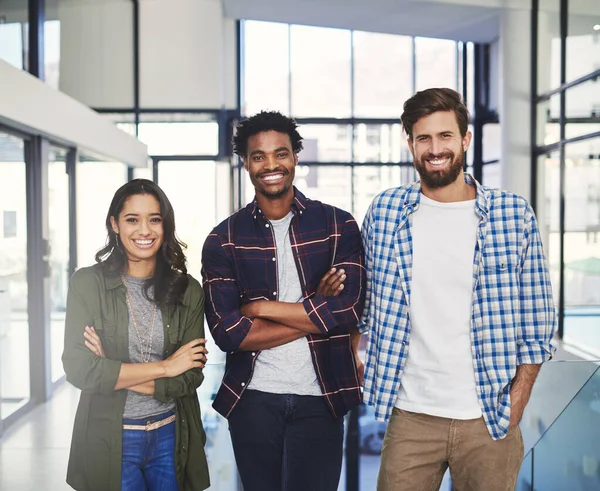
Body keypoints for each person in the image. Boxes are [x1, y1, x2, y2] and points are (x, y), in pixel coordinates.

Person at [359, 88, 557, 491]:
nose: (435, 149)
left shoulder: (512, 214)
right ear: (410, 142)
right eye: (424, 138)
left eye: (445, 136)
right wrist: (354, 355)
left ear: (465, 139)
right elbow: (362, 303)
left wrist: (518, 397)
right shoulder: (385, 211)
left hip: (489, 418)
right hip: (410, 414)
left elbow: (538, 321)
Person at [201, 110, 366, 491]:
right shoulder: (223, 239)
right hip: (253, 399)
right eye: (259, 156)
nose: (270, 164)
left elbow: (348, 311)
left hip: (322, 396)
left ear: (295, 157)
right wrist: (314, 309)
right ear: (246, 163)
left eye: (281, 153)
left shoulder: (337, 225)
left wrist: (259, 309)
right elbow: (229, 334)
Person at [62, 178, 210, 491]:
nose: (144, 231)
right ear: (114, 224)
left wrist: (112, 371)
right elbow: (80, 369)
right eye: (132, 220)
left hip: (171, 434)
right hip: (110, 435)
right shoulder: (87, 284)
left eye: (154, 220)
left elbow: (190, 377)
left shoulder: (189, 290)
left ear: (165, 226)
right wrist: (167, 366)